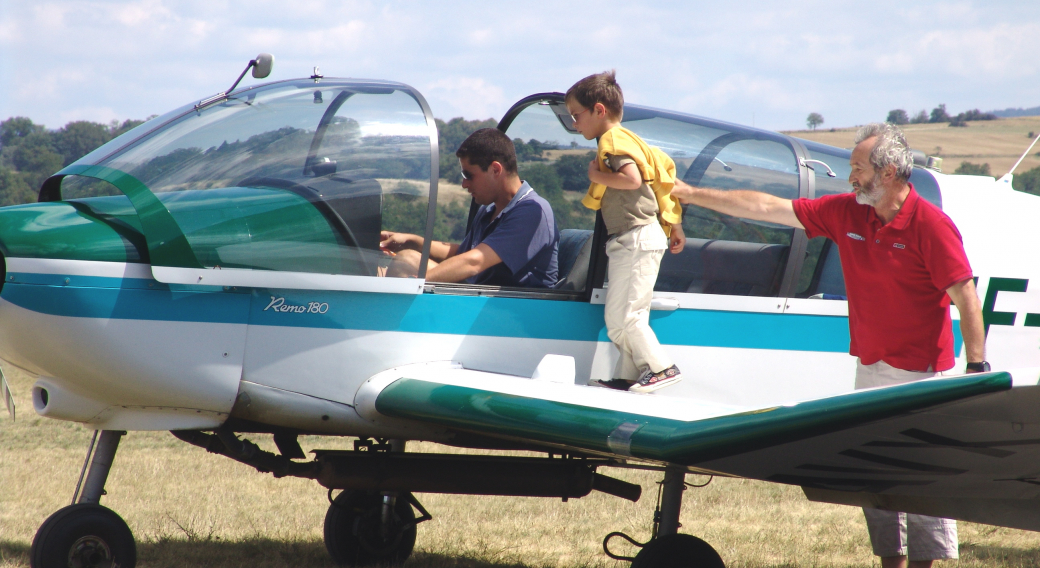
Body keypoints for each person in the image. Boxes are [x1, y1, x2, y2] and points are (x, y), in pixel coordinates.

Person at [671, 122, 987, 568]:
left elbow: (965, 296)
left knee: (917, 482)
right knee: (876, 478)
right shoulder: (847, 212)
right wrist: (691, 193)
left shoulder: (931, 226)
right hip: (871, 366)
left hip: (921, 375)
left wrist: (977, 366)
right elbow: (769, 206)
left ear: (891, 172)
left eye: (858, 168)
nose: (850, 177)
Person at [566, 71, 686, 393]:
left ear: (599, 111)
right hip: (631, 239)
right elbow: (661, 179)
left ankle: (662, 367)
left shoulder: (613, 141)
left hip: (636, 237)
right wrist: (675, 224)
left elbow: (633, 180)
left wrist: (597, 175)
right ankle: (627, 376)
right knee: (618, 320)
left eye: (577, 116)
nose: (574, 124)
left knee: (629, 316)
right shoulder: (632, 140)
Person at [380, 128, 559, 288]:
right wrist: (413, 241)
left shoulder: (533, 212)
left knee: (406, 262)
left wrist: (415, 284)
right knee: (397, 260)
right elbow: (464, 254)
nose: (464, 184)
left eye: (468, 175)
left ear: (496, 170)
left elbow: (474, 262)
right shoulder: (489, 210)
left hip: (514, 313)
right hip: (481, 301)